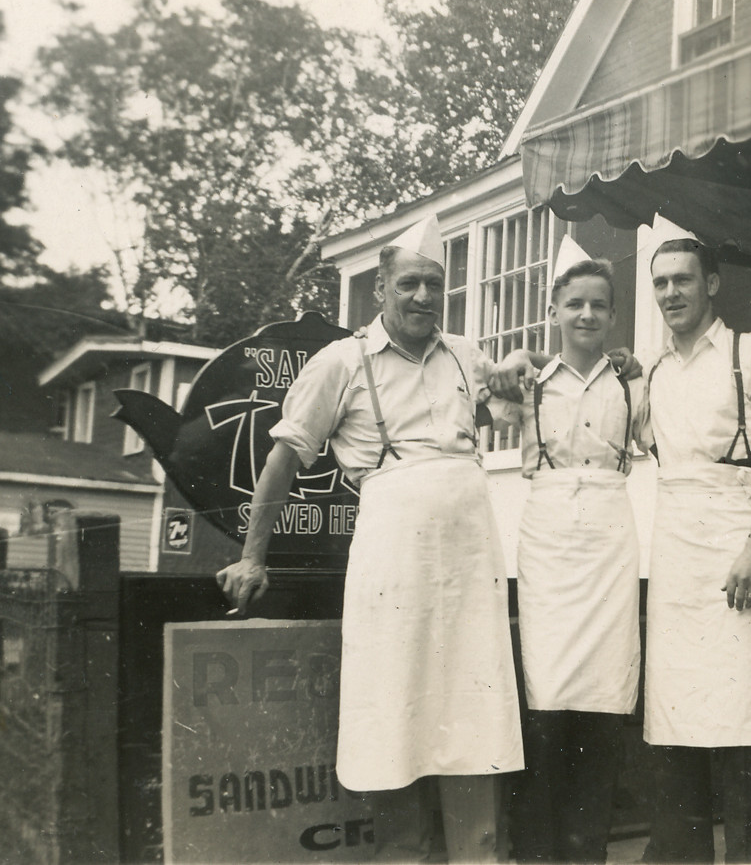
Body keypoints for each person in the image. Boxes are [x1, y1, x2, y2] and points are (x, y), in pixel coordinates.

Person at [215, 214, 524, 863]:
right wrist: (252, 557)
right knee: (396, 726)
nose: (422, 298)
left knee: (475, 721)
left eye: (434, 286)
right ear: (380, 287)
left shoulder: (467, 356)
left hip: (471, 565)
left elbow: (518, 411)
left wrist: (521, 376)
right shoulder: (342, 363)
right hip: (393, 568)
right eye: (409, 284)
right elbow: (282, 460)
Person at [637, 216, 751, 864]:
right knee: (678, 733)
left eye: (682, 279)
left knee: (750, 730)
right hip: (677, 567)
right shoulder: (654, 375)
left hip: (743, 556)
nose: (670, 293)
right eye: (659, 284)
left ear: (712, 282)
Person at [490, 236, 648, 863]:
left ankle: (588, 853)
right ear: (555, 310)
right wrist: (509, 357)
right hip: (549, 539)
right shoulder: (527, 383)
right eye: (575, 304)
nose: (587, 315)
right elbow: (471, 394)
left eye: (600, 306)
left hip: (609, 538)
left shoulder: (634, 385)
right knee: (545, 696)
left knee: (605, 698)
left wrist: (635, 365)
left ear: (613, 316)